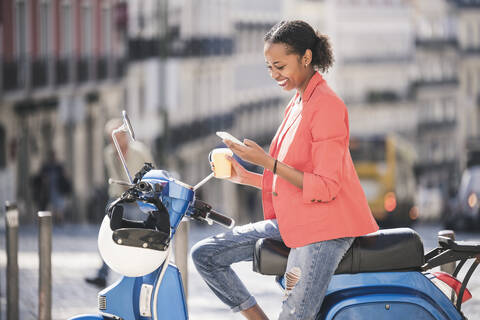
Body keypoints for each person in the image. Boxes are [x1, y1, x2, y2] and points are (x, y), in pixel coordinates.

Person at [191, 20, 379, 320]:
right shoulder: (298, 102)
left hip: (324, 230)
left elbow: (326, 185)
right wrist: (246, 176)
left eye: (280, 65)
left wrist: (267, 162)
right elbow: (290, 178)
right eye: (269, 67)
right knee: (205, 255)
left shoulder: (327, 105)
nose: (274, 74)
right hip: (295, 220)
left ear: (306, 58)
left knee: (295, 316)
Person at [85, 117, 154, 288]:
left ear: (125, 135)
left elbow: (152, 171)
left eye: (119, 136)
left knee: (135, 236)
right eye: (112, 137)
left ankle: (136, 274)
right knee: (108, 233)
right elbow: (115, 177)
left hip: (138, 199)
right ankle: (103, 274)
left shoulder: (139, 150)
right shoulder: (109, 152)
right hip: (118, 198)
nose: (116, 140)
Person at [32, 150, 71, 224]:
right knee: (50, 208)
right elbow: (40, 177)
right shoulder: (46, 167)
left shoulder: (59, 167)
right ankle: (51, 221)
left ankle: (59, 221)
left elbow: (65, 178)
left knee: (59, 207)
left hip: (58, 191)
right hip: (47, 191)